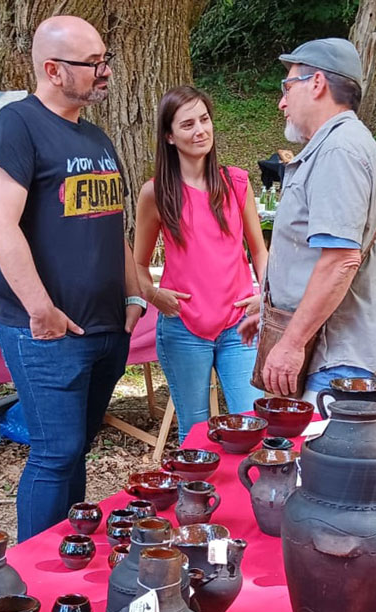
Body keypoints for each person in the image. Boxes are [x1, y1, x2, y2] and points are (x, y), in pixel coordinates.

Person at [0, 15, 145, 541]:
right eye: (93, 63)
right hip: (49, 332)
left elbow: (111, 226)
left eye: (105, 60)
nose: (105, 72)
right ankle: (33, 580)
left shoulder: (96, 139)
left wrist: (135, 293)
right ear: (53, 69)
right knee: (55, 451)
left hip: (105, 329)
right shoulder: (15, 126)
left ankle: (67, 560)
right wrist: (39, 309)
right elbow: (0, 223)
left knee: (77, 448)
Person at [240, 37, 376, 397]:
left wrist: (291, 343)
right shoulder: (342, 145)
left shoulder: (338, 152)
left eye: (287, 86)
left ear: (317, 84)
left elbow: (339, 261)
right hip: (337, 359)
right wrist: (275, 318)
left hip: (339, 364)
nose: (281, 101)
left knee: (322, 454)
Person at [132, 86, 267, 442]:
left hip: (240, 325)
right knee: (195, 434)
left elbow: (260, 252)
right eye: (188, 124)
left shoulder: (236, 183)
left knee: (250, 425)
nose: (200, 131)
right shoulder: (156, 193)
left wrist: (264, 295)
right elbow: (139, 263)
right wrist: (153, 294)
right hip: (183, 327)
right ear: (170, 136)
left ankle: (249, 497)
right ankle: (195, 498)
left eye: (204, 120)